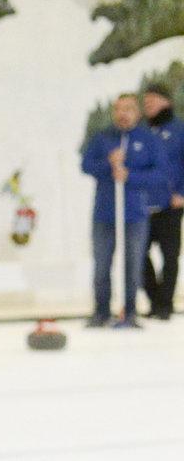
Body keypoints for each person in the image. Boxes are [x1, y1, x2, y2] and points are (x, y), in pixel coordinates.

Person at [81, 93, 166, 329]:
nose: (122, 114)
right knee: (101, 265)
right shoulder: (103, 138)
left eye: (128, 109)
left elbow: (159, 175)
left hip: (135, 215)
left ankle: (129, 312)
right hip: (104, 214)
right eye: (118, 109)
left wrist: (130, 176)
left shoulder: (148, 140)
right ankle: (101, 312)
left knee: (133, 265)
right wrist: (109, 164)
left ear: (137, 112)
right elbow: (86, 165)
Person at [139, 86, 183, 321]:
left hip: (170, 204)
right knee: (139, 254)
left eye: (153, 101)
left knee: (170, 255)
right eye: (145, 102)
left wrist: (182, 194)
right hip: (144, 205)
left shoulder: (179, 130)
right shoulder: (143, 132)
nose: (148, 105)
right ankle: (155, 300)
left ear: (166, 102)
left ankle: (165, 305)